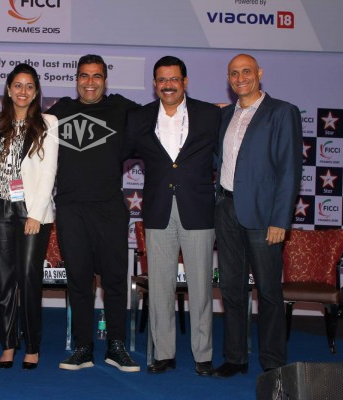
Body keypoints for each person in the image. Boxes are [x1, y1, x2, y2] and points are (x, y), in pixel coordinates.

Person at [123, 56, 220, 375]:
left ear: (185, 82)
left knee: (201, 287)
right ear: (154, 84)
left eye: (174, 79)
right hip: (158, 210)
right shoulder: (139, 117)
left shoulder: (210, 114)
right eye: (162, 80)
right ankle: (164, 353)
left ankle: (203, 355)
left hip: (199, 210)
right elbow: (116, 154)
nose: (168, 85)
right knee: (160, 287)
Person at [46, 54, 140, 372]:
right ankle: (83, 347)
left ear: (105, 80)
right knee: (79, 280)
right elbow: (26, 125)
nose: (90, 82)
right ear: (76, 80)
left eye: (96, 76)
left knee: (114, 279)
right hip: (71, 208)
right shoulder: (60, 111)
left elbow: (162, 116)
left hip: (110, 208)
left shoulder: (122, 108)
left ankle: (116, 346)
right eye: (84, 76)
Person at [213, 54, 302, 377]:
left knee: (268, 292)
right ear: (228, 79)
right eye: (234, 73)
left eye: (246, 71)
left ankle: (273, 362)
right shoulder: (225, 115)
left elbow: (290, 169)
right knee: (232, 289)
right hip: (226, 209)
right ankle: (235, 358)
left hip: (265, 216)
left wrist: (280, 219)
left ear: (259, 73)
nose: (240, 78)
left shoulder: (282, 112)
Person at [0, 63, 58, 370]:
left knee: (29, 279)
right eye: (18, 85)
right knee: (4, 280)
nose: (23, 91)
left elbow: (48, 172)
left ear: (36, 92)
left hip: (31, 212)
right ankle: (8, 343)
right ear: (8, 89)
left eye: (29, 86)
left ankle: (32, 346)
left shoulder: (48, 122)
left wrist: (36, 214)